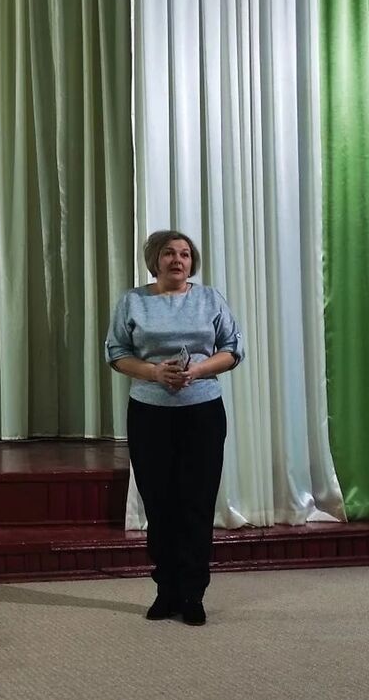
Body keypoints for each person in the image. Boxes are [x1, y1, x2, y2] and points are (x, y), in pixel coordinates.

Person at [104, 230, 244, 626]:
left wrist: (196, 370)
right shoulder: (133, 301)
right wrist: (153, 372)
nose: (178, 260)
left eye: (185, 254)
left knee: (197, 503)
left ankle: (193, 594)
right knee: (159, 503)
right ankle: (166, 590)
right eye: (169, 253)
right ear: (155, 260)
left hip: (202, 413)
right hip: (150, 415)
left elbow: (233, 349)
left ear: (191, 262)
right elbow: (116, 352)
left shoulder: (210, 299)